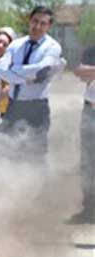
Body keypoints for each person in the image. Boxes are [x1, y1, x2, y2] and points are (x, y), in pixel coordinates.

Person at [0, 6, 64, 165]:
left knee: (35, 154)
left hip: (36, 108)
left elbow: (41, 71)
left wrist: (14, 70)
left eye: (43, 23)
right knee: (7, 150)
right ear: (29, 20)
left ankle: (37, 188)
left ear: (49, 26)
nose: (38, 26)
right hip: (13, 106)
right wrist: (26, 78)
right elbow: (1, 70)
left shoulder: (53, 47)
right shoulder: (15, 45)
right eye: (35, 21)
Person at [70, 44, 95, 224]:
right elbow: (80, 72)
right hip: (91, 110)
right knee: (88, 162)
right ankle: (89, 210)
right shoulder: (91, 50)